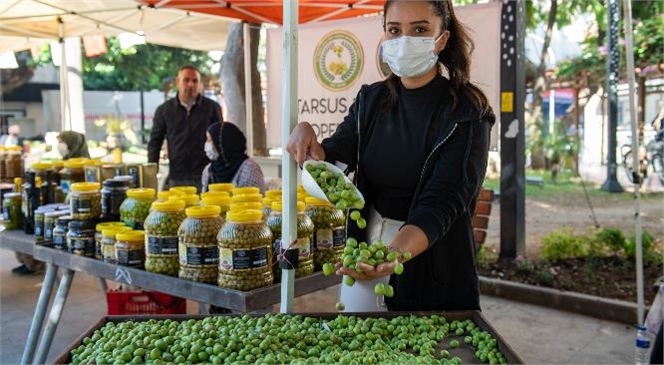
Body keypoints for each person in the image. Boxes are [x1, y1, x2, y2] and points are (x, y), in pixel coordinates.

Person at [287, 0, 494, 312]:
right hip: (364, 254)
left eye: (420, 30)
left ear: (442, 39)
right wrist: (306, 133)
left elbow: (444, 199)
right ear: (384, 35)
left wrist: (394, 254)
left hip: (429, 259)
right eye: (394, 30)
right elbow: (336, 154)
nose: (404, 41)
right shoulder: (371, 100)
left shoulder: (466, 112)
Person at [147, 65, 223, 193]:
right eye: (186, 80)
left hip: (206, 175)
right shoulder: (164, 110)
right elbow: (155, 142)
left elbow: (220, 141)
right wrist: (151, 172)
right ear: (177, 82)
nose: (190, 84)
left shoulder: (212, 108)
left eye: (195, 81)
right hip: (177, 176)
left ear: (199, 84)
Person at [201, 121, 266, 194]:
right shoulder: (208, 171)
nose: (206, 144)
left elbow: (256, 201)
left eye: (209, 140)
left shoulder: (249, 169)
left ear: (222, 142)